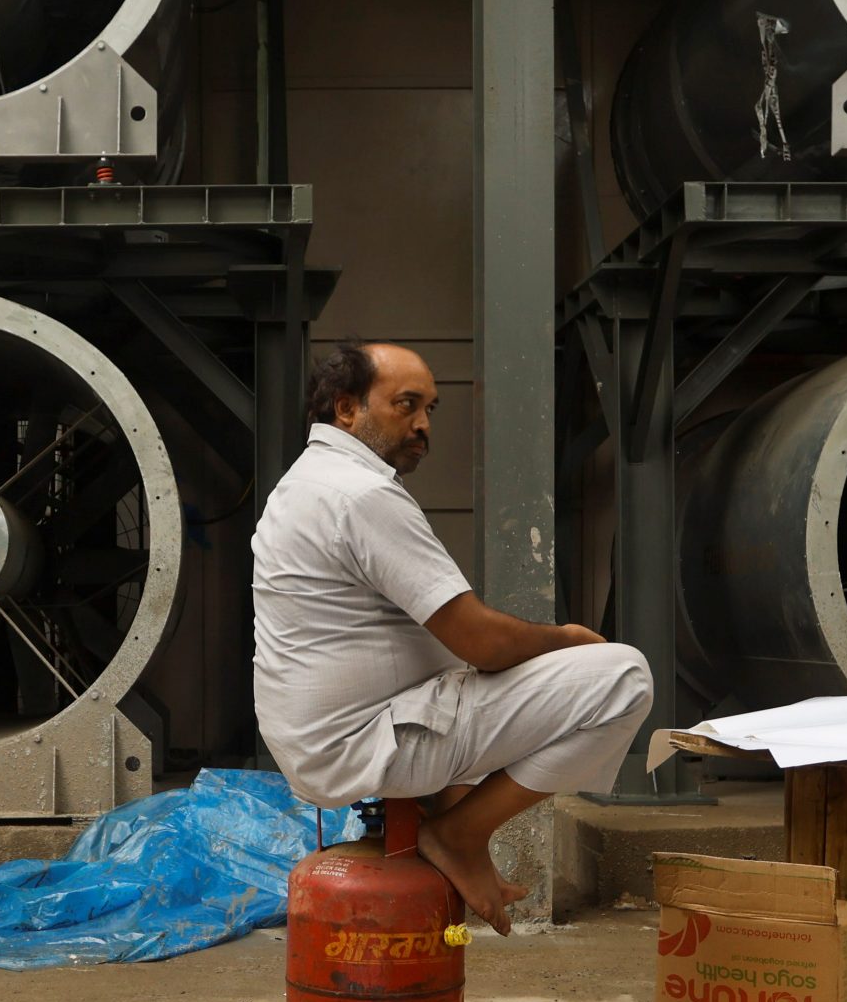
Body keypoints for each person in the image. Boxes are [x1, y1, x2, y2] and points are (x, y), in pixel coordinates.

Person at [251, 341, 653, 934]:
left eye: (430, 408)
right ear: (346, 409)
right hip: (363, 741)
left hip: (330, 738)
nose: (422, 425)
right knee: (623, 677)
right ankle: (459, 835)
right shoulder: (362, 496)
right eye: (406, 405)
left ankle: (450, 820)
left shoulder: (307, 482)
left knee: (491, 671)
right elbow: (481, 640)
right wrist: (565, 638)